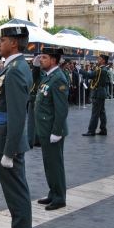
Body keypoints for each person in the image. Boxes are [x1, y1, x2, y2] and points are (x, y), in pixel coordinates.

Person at [0, 26, 33, 228]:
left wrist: (10, 151)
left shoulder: (16, 70)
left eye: (2, 40)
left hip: (7, 140)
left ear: (14, 43)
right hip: (1, 136)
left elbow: (17, 115)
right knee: (12, 192)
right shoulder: (10, 66)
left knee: (17, 193)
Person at [34, 47, 69, 211]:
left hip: (52, 130)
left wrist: (56, 131)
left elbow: (61, 109)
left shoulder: (58, 79)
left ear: (53, 60)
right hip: (45, 129)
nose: (41, 59)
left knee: (55, 164)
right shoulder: (48, 77)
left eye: (44, 57)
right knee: (49, 164)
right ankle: (53, 192)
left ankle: (60, 197)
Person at [80, 54, 110, 136]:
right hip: (101, 92)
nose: (98, 60)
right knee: (102, 112)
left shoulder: (101, 70)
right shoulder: (103, 69)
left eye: (99, 59)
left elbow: (90, 75)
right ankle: (103, 129)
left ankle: (91, 130)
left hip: (98, 93)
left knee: (95, 113)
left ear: (103, 60)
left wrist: (81, 70)